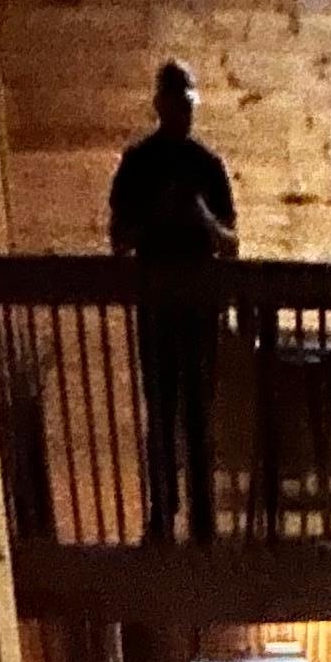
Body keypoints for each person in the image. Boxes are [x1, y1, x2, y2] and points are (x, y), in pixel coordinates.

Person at [109, 60, 236, 543]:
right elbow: (119, 240)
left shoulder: (208, 165)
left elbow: (232, 243)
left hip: (201, 311)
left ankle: (203, 523)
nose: (184, 114)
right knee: (162, 415)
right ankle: (163, 515)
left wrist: (204, 218)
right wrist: (155, 219)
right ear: (160, 105)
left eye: (188, 106)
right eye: (177, 105)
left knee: (199, 415)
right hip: (158, 309)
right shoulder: (138, 164)